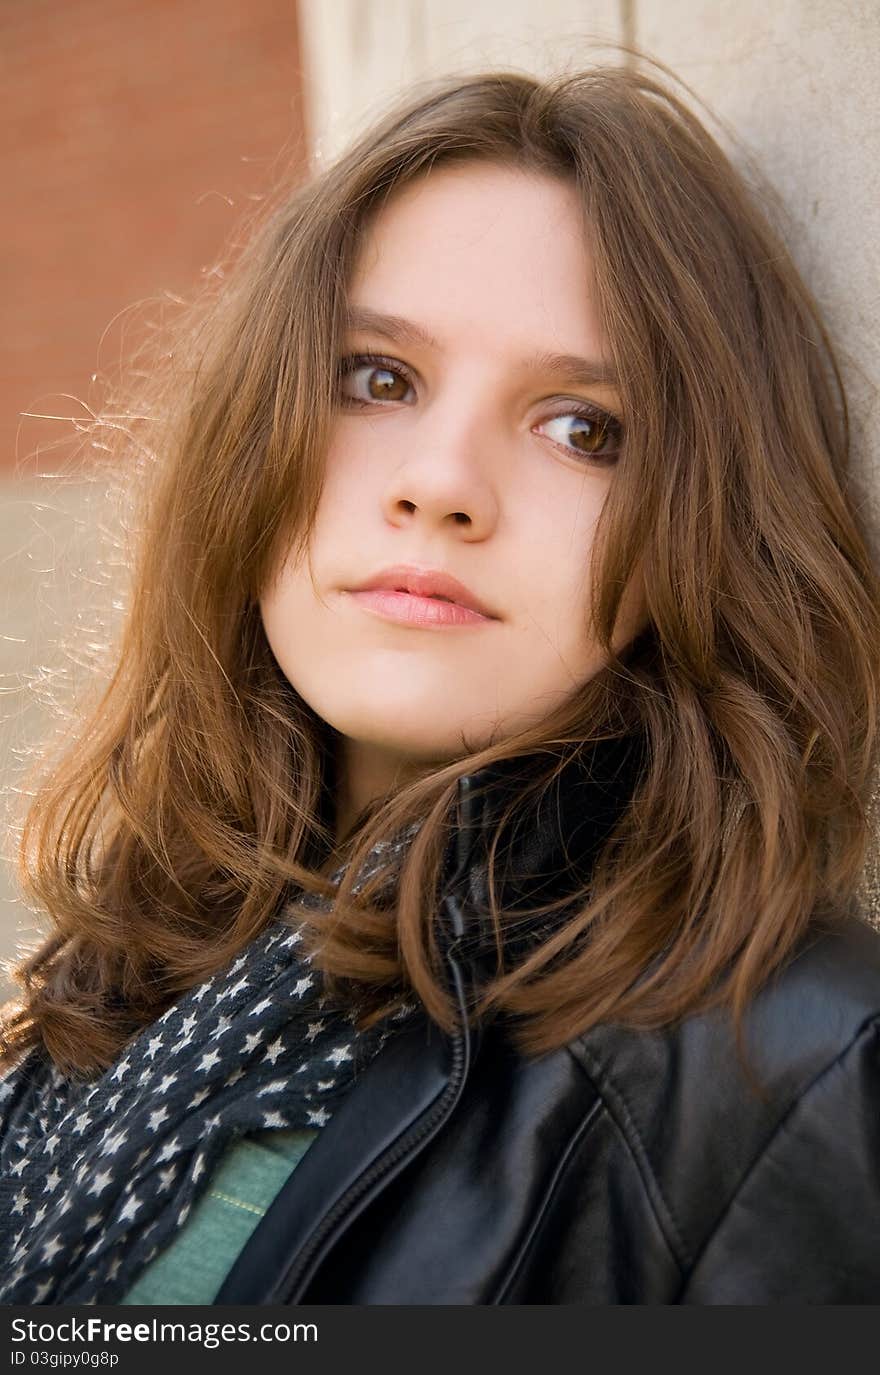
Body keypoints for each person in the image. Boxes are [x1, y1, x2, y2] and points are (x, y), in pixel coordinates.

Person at [2, 62, 880, 1306]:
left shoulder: (798, 1071)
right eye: (378, 377)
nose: (441, 482)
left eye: (583, 427)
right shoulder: (153, 948)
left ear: (705, 523)